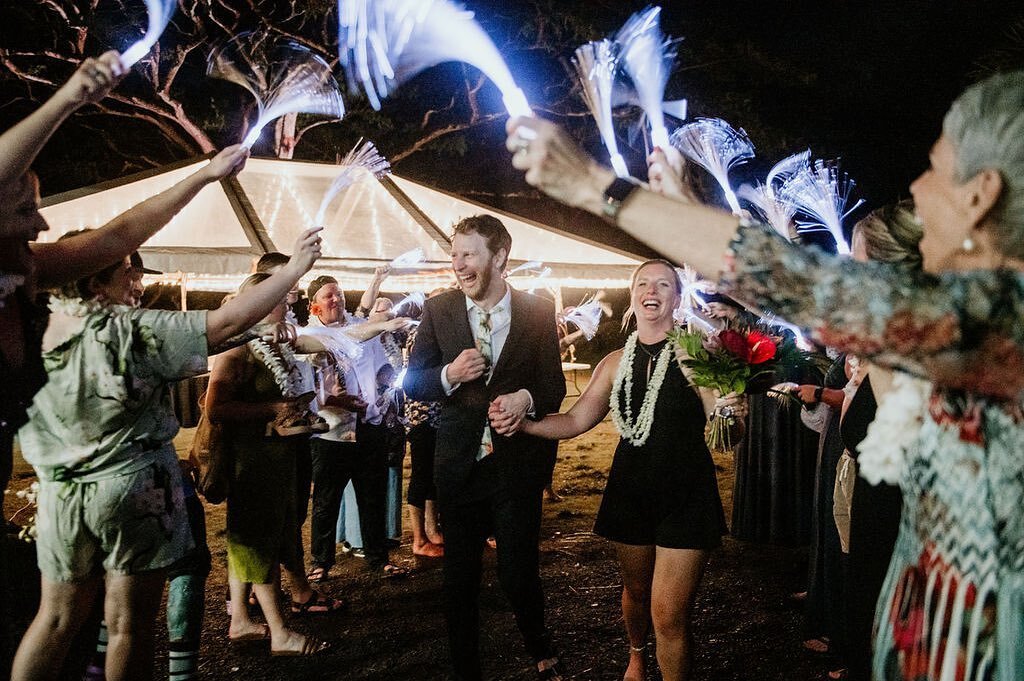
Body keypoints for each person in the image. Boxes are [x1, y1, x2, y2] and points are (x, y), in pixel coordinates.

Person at [506, 70, 1024, 680]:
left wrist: (595, 185)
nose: (917, 184)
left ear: (981, 192)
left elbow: (790, 279)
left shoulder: (983, 329)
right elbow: (799, 296)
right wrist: (684, 216)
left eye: (934, 168)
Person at [9, 223, 322, 681]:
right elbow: (225, 325)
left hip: (60, 497)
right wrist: (294, 268)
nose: (139, 280)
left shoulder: (38, 328)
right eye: (129, 270)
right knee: (128, 625)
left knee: (54, 620)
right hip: (128, 493)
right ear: (96, 280)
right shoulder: (132, 330)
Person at [507, 259, 727, 681]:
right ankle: (636, 655)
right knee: (637, 592)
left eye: (664, 284)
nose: (653, 289)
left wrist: (731, 402)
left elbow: (725, 431)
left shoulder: (695, 357)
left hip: (687, 495)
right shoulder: (613, 363)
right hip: (630, 491)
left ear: (676, 298)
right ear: (633, 295)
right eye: (643, 282)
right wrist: (528, 424)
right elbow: (574, 422)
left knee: (669, 615)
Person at [404, 215, 567, 681]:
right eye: (454, 255)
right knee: (459, 577)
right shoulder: (439, 310)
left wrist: (526, 399)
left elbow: (552, 385)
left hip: (515, 465)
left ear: (499, 257)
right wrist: (448, 376)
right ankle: (465, 666)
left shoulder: (537, 310)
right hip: (459, 465)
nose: (458, 264)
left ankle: (538, 642)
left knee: (519, 571)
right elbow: (414, 383)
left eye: (468, 254)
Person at [206, 272, 344, 658]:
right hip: (253, 464)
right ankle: (280, 633)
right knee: (258, 542)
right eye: (284, 299)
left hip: (275, 459)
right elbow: (215, 407)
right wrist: (272, 408)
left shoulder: (274, 343)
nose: (291, 304)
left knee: (254, 540)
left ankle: (242, 622)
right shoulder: (236, 349)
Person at [303, 275, 410, 581]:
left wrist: (387, 383)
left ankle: (379, 558)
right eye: (328, 296)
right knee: (326, 499)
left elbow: (382, 366)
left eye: (338, 294)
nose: (336, 299)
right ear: (314, 305)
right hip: (331, 431)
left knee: (372, 496)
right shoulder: (309, 337)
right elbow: (311, 389)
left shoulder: (363, 331)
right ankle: (321, 562)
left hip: (369, 425)